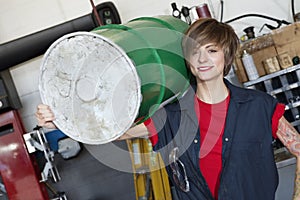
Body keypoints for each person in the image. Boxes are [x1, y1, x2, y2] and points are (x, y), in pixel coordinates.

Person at [36, 18, 300, 200]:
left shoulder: (259, 107)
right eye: (195, 52)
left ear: (227, 57)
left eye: (212, 50)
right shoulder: (172, 116)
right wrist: (60, 122)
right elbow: (114, 132)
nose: (203, 59)